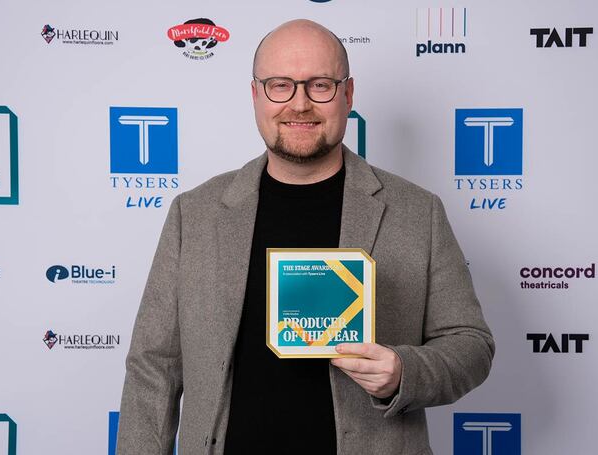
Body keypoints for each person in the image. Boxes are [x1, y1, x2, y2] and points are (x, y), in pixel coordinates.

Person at [117, 19, 494, 455]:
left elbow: (471, 345)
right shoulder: (194, 214)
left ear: (348, 95)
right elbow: (153, 367)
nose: (299, 105)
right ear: (256, 95)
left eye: (320, 85)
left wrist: (404, 372)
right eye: (280, 85)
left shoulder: (417, 212)